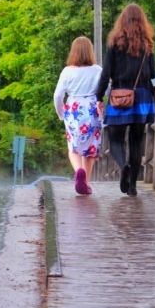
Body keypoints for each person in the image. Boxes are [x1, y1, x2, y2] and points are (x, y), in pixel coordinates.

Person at [95, 3, 155, 197]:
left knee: (115, 139)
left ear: (122, 20)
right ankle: (132, 187)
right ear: (142, 21)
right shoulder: (148, 43)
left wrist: (99, 96)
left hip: (120, 97)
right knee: (136, 141)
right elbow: (153, 73)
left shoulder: (114, 42)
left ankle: (123, 166)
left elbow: (106, 73)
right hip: (143, 97)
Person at [53, 36, 103, 195]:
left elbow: (57, 96)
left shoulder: (67, 71)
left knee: (73, 148)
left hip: (73, 109)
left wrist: (61, 113)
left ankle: (78, 170)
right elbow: (107, 90)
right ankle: (86, 183)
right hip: (92, 109)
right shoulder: (97, 70)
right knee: (90, 148)